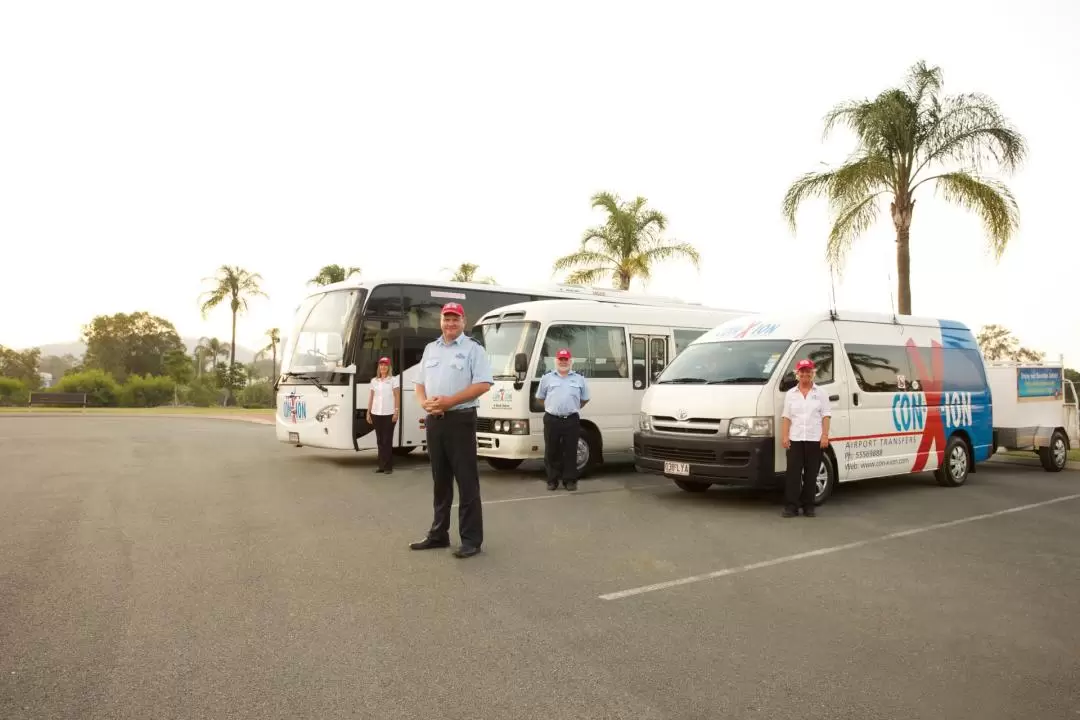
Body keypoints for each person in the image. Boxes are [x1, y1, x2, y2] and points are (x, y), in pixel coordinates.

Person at [409, 302, 494, 558]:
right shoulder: (430, 349)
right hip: (435, 421)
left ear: (463, 321)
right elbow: (419, 384)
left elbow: (482, 384)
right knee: (440, 480)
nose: (450, 323)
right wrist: (424, 403)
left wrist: (450, 402)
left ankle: (471, 540)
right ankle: (438, 534)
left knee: (466, 481)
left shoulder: (473, 350)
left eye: (455, 319)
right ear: (441, 321)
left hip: (461, 419)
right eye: (447, 319)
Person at [780, 358, 831, 518]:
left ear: (812, 373)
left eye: (808, 371)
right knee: (793, 474)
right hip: (795, 439)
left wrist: (825, 435)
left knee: (811, 474)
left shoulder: (821, 393)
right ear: (797, 374)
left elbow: (826, 416)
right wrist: (785, 436)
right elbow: (787, 417)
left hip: (814, 439)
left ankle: (809, 506)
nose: (805, 374)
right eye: (802, 371)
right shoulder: (790, 394)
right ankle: (791, 507)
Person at [535, 348, 590, 491]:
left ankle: (570, 480)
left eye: (566, 360)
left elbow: (584, 399)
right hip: (552, 419)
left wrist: (571, 407)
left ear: (571, 361)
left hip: (571, 419)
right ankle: (552, 480)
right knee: (551, 450)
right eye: (561, 359)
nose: (563, 362)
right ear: (556, 361)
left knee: (571, 450)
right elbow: (540, 398)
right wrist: (552, 407)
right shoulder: (547, 378)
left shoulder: (579, 378)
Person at [366, 356, 400, 474]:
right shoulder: (374, 381)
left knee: (387, 440)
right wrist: (368, 412)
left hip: (389, 414)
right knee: (380, 440)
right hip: (376, 413)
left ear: (388, 367)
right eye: (381, 365)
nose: (383, 367)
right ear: (379, 367)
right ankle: (381, 465)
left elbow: (397, 396)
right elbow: (371, 397)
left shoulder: (393, 380)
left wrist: (396, 411)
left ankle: (388, 467)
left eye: (385, 365)